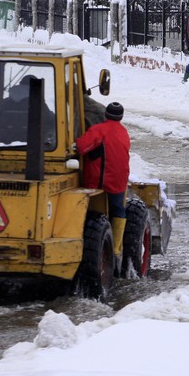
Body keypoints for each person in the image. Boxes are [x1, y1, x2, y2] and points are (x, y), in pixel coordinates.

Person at [75, 102, 131, 264]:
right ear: (120, 117)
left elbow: (81, 147)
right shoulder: (123, 131)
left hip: (99, 181)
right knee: (118, 210)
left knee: (90, 213)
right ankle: (115, 249)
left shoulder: (99, 130)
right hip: (119, 180)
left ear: (106, 114)